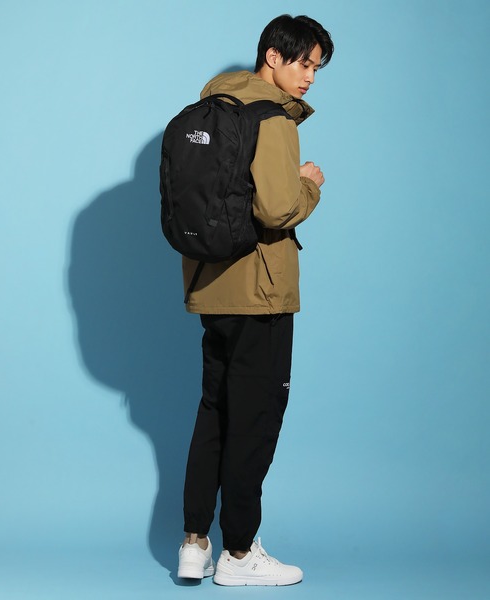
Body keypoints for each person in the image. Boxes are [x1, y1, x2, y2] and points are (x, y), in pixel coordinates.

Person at [176, 14, 334, 586]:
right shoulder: (272, 117)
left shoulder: (211, 108)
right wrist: (309, 183)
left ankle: (195, 543)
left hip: (210, 287)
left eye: (317, 68)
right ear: (272, 56)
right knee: (256, 419)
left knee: (213, 410)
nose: (309, 77)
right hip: (261, 292)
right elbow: (276, 208)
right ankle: (239, 554)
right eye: (304, 63)